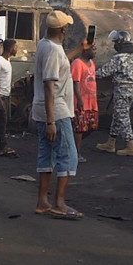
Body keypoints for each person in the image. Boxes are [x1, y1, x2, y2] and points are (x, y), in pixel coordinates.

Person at [33, 11, 81, 220]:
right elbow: (50, 85)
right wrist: (52, 121)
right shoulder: (53, 49)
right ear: (62, 30)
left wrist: (80, 50)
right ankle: (60, 204)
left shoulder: (46, 45)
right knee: (68, 157)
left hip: (42, 110)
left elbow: (59, 65)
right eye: (67, 27)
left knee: (47, 155)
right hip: (56, 111)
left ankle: (43, 202)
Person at [95, 30, 133, 156]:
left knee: (123, 116)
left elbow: (103, 72)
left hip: (121, 89)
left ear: (120, 43)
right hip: (132, 89)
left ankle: (130, 146)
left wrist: (91, 74)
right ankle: (110, 143)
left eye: (115, 42)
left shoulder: (118, 58)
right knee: (118, 115)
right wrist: (131, 77)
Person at [71, 45, 99, 160]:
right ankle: (76, 153)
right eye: (93, 49)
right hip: (81, 102)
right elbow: (75, 83)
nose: (95, 51)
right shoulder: (77, 63)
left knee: (91, 127)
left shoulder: (92, 63)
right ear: (85, 50)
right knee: (80, 129)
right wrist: (80, 100)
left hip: (91, 102)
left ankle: (72, 145)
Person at [0, 39, 17, 157]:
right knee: (2, 120)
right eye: (16, 47)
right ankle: (3, 146)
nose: (17, 50)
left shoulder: (7, 61)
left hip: (4, 95)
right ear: (11, 48)